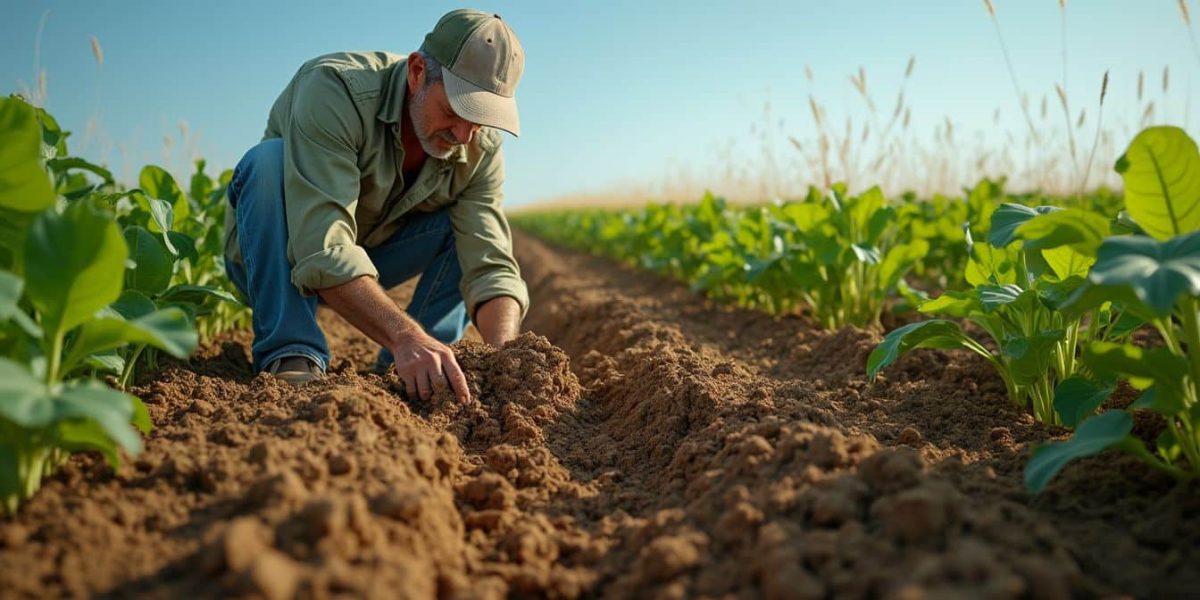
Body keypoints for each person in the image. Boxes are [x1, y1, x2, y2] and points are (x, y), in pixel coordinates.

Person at [222, 9, 528, 403]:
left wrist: (507, 358)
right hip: (274, 256)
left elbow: (489, 262)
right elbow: (321, 244)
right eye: (455, 110)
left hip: (369, 253)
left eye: (481, 119)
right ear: (417, 72)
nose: (464, 134)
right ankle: (291, 353)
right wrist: (404, 334)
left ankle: (420, 374)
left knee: (466, 228)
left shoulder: (477, 145)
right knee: (267, 162)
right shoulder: (336, 90)